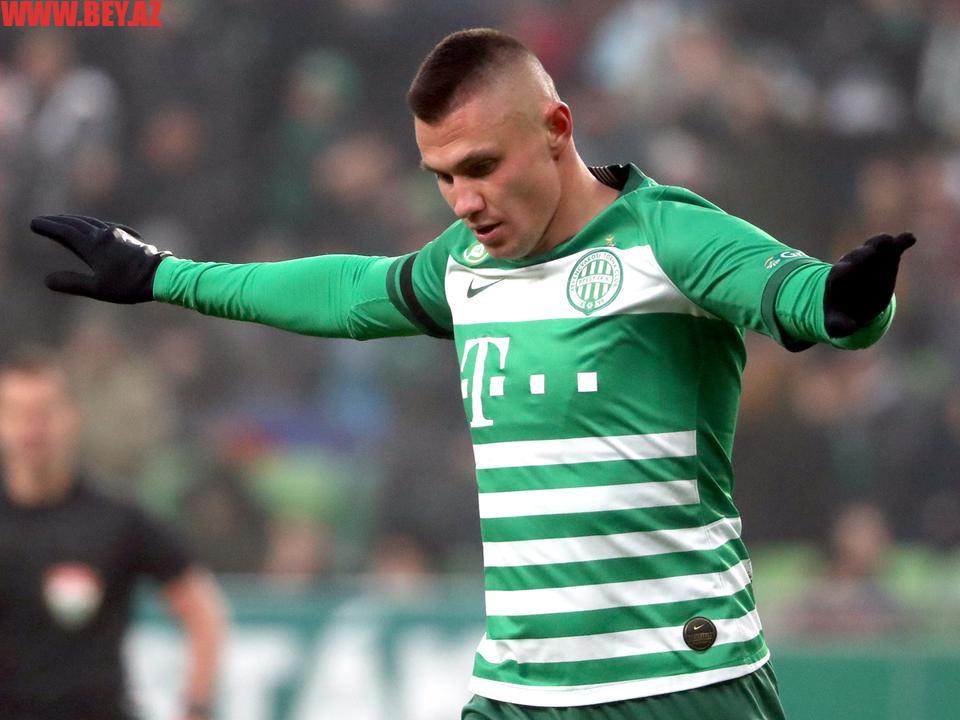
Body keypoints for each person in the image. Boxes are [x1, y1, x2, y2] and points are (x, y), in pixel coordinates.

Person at [27, 28, 914, 720]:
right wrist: (163, 275)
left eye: (482, 167)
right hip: (518, 689)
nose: (465, 203)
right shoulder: (464, 265)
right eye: (443, 177)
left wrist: (854, 300)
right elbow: (343, 292)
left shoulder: (667, 235)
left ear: (557, 129)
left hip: (679, 683)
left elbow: (806, 298)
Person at [0, 349, 227, 720]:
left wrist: (196, 708)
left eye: (45, 412)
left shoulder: (117, 519)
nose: (32, 428)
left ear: (74, 416)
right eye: (17, 413)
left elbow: (202, 610)